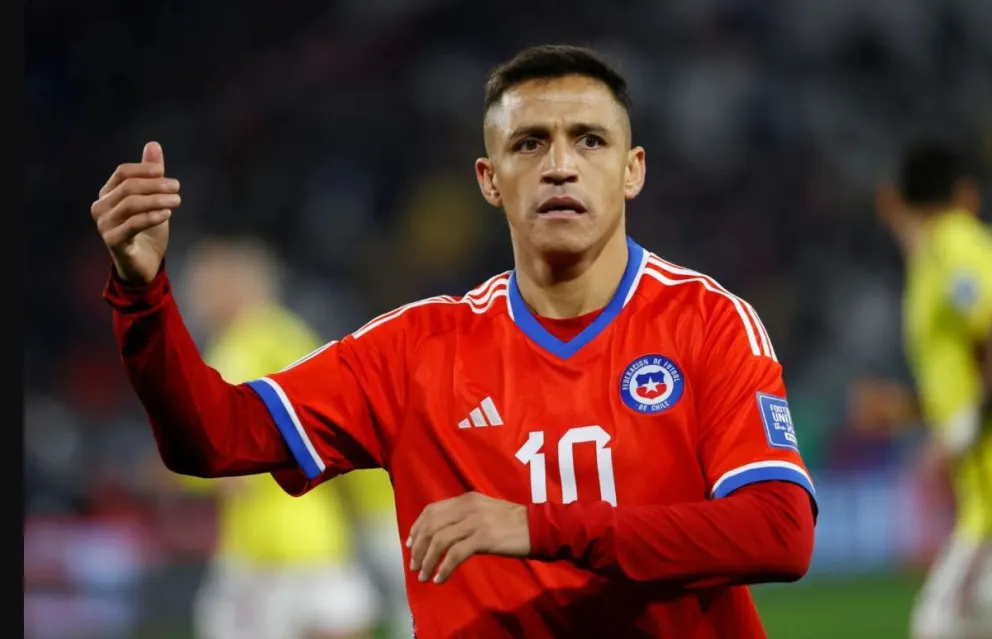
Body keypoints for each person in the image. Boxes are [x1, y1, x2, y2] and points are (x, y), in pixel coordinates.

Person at [91, 45, 816, 638]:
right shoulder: (417, 349)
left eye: (589, 140)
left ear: (633, 171)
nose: (559, 164)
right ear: (489, 180)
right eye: (529, 143)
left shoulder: (708, 321)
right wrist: (143, 296)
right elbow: (214, 439)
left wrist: (533, 526)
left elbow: (778, 533)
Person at [169, 239, 393, 639]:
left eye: (202, 285)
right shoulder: (294, 336)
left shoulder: (243, 345)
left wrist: (179, 470)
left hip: (265, 551)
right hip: (319, 535)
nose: (193, 297)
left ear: (233, 288)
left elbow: (219, 447)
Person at [876, 139, 992, 639]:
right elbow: (968, 371)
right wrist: (910, 409)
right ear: (965, 193)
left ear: (893, 201)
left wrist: (964, 429)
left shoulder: (952, 245)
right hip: (980, 496)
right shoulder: (935, 258)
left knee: (940, 626)